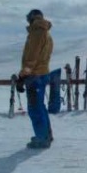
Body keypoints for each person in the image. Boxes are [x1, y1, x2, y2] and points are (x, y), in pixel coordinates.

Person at [16, 9, 54, 149]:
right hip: (42, 73)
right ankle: (46, 134)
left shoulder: (37, 32)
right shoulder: (45, 32)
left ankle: (41, 138)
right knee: (40, 106)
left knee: (34, 108)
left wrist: (23, 74)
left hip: (34, 75)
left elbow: (31, 57)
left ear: (31, 19)